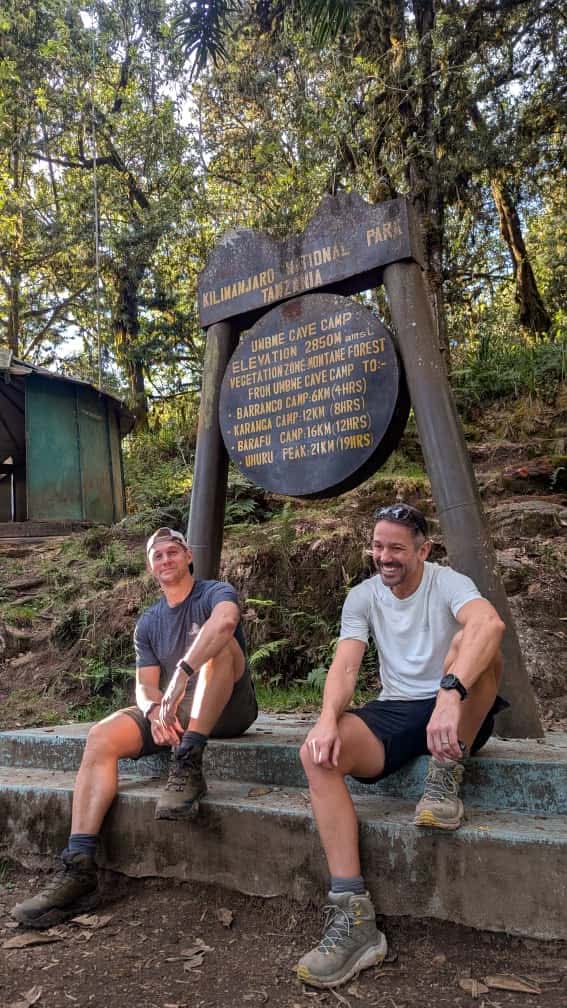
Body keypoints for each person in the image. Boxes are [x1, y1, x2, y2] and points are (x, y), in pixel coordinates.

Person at [296, 503, 506, 989]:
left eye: (396, 547)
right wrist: (327, 720)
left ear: (422, 549)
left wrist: (450, 694)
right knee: (315, 754)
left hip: (458, 709)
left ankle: (444, 775)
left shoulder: (447, 581)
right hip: (396, 710)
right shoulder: (363, 596)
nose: (384, 556)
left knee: (475, 639)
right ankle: (354, 916)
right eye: (377, 546)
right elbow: (347, 665)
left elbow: (490, 625)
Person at [12, 527, 258, 929]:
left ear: (189, 557)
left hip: (228, 707)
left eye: (173, 552)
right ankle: (79, 866)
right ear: (150, 567)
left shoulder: (215, 591)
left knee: (220, 647)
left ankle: (188, 760)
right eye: (157, 555)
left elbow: (227, 622)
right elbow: (144, 685)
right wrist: (154, 709)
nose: (166, 560)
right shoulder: (148, 622)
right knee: (100, 737)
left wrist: (180, 675)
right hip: (178, 710)